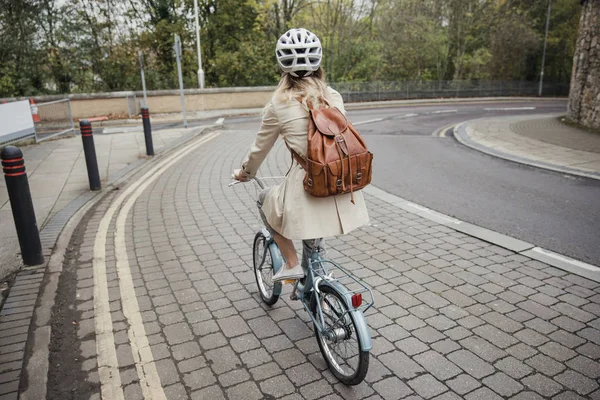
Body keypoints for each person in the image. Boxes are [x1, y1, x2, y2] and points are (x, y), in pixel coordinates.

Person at [233, 28, 369, 282]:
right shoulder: (333, 97)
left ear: (283, 67)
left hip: (309, 185)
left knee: (264, 199)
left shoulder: (279, 104)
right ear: (319, 64)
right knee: (315, 241)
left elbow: (259, 149)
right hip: (341, 183)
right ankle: (317, 284)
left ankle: (292, 264)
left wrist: (245, 173)